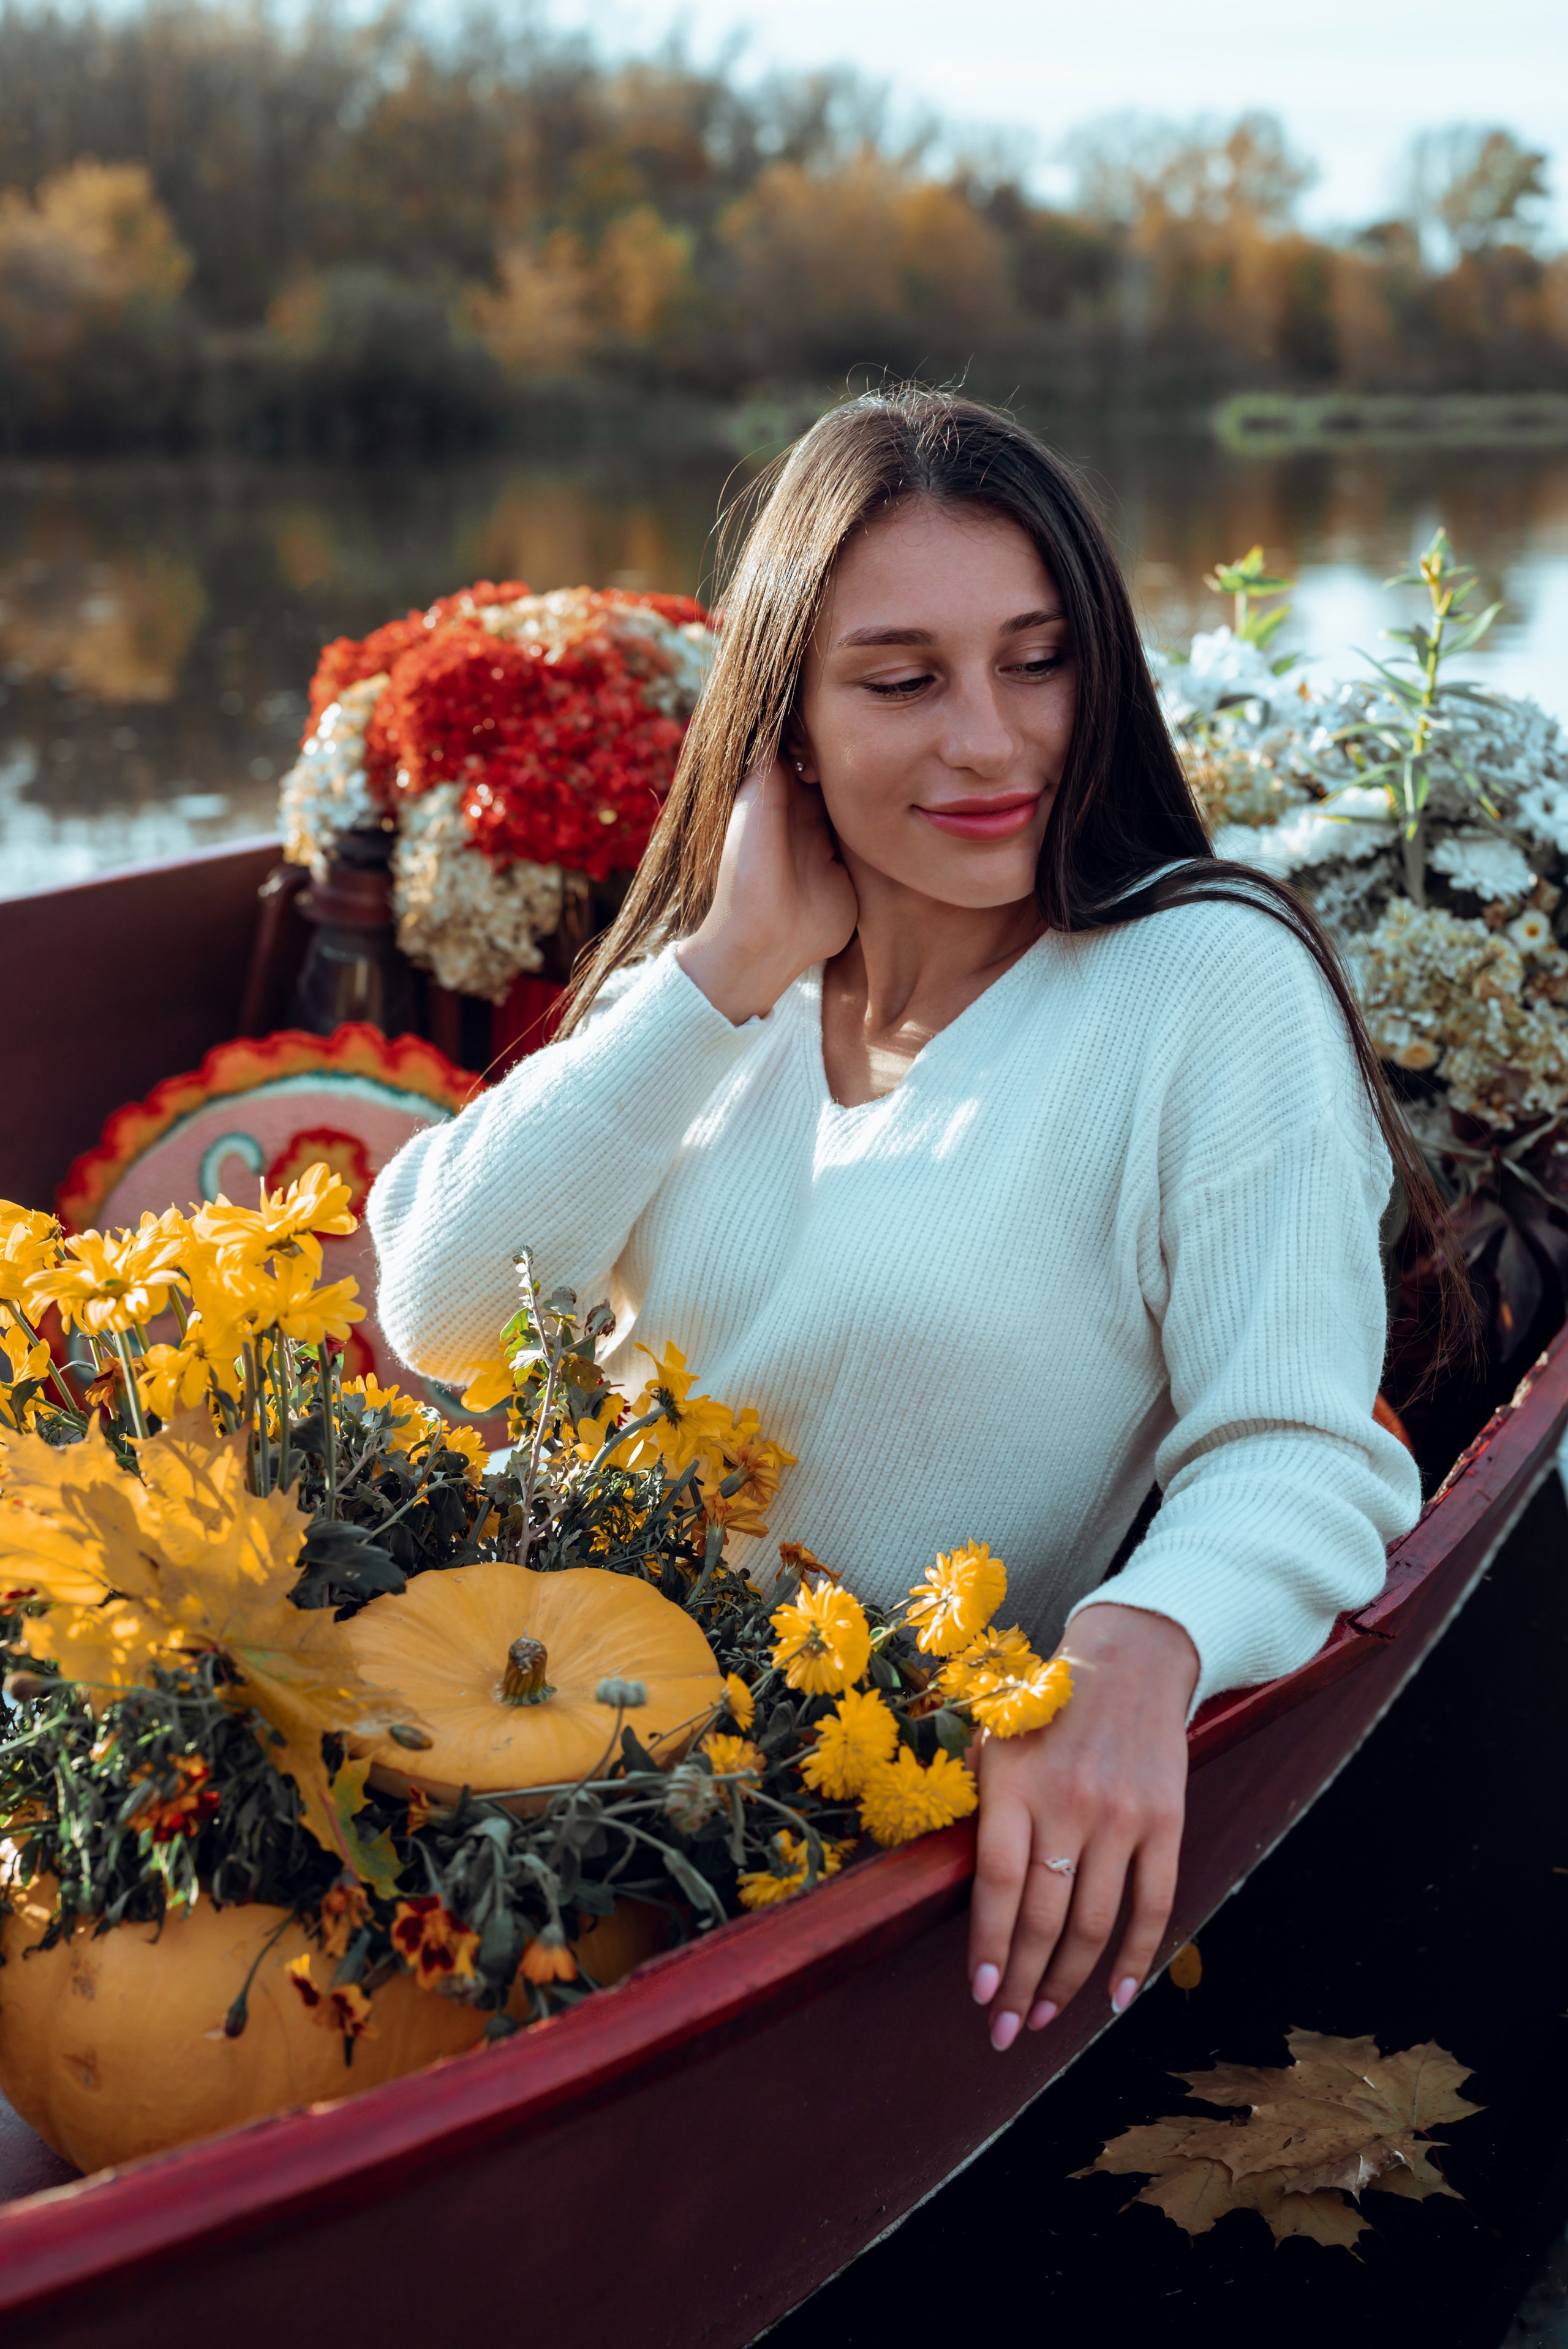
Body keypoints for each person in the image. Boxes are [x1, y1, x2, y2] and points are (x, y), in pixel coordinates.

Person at [368, 387, 1446, 2055]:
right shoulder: (724, 1000)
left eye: (1038, 660)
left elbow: (1300, 1445)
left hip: (818, 1862)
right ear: (786, 718)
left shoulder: (1207, 987)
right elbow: (438, 1307)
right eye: (902, 680)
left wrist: (1138, 1646)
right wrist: (721, 972)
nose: (994, 740)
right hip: (519, 1758)